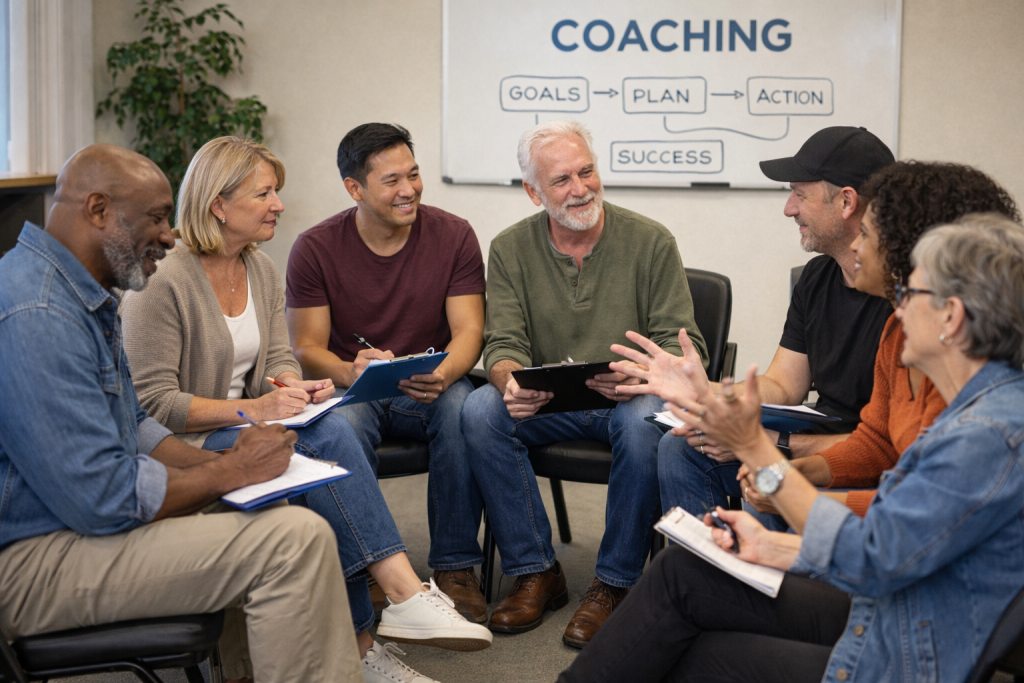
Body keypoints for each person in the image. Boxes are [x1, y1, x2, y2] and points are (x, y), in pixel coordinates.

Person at [559, 213, 1024, 683]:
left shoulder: (986, 434)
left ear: (953, 316)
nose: (897, 309)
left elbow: (874, 557)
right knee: (683, 581)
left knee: (689, 644)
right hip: (887, 614)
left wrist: (757, 449)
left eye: (910, 295)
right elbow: (899, 525)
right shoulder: (978, 409)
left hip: (895, 654)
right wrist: (772, 543)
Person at [121, 137, 490, 683]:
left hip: (256, 422)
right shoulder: (164, 280)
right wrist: (254, 409)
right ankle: (400, 596)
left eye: (277, 192)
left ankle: (364, 641)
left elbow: (277, 358)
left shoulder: (260, 268)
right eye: (264, 193)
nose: (279, 204)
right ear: (219, 205)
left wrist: (296, 388)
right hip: (190, 442)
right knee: (333, 443)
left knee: (328, 433)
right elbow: (152, 404)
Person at [0, 144, 364, 683]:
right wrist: (229, 471)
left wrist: (235, 470)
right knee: (295, 542)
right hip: (33, 560)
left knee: (262, 507)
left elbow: (136, 424)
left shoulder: (80, 294)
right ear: (98, 210)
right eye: (155, 218)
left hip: (69, 530)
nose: (169, 236)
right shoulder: (39, 312)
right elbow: (103, 498)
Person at [461, 119, 709, 648]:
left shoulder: (651, 241)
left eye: (587, 171)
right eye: (561, 180)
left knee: (644, 421)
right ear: (533, 192)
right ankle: (535, 571)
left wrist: (644, 374)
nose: (581, 189)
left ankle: (614, 584)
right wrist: (509, 381)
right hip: (551, 401)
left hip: (628, 400)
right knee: (479, 410)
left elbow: (686, 347)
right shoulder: (509, 248)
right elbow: (502, 343)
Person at [285, 123, 489, 623]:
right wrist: (348, 367)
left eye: (414, 175)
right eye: (392, 180)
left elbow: (469, 332)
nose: (409, 190)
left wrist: (444, 373)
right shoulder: (314, 248)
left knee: (464, 405)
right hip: (356, 387)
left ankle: (456, 566)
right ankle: (370, 569)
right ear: (354, 188)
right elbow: (307, 347)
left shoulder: (454, 234)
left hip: (431, 381)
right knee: (341, 427)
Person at [738, 161, 1019, 520]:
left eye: (867, 234)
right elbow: (878, 443)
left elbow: (916, 508)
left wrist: (795, 493)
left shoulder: (964, 376)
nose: (855, 245)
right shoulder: (898, 331)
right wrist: (791, 475)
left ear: (908, 248)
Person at [642, 126, 896, 518]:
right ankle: (706, 575)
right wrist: (704, 390)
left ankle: (762, 569)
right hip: (816, 440)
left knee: (759, 476)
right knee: (684, 445)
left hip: (865, 462)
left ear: (847, 201)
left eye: (800, 194)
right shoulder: (817, 277)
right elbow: (782, 385)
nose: (789, 208)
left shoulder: (910, 299)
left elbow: (889, 446)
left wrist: (768, 443)